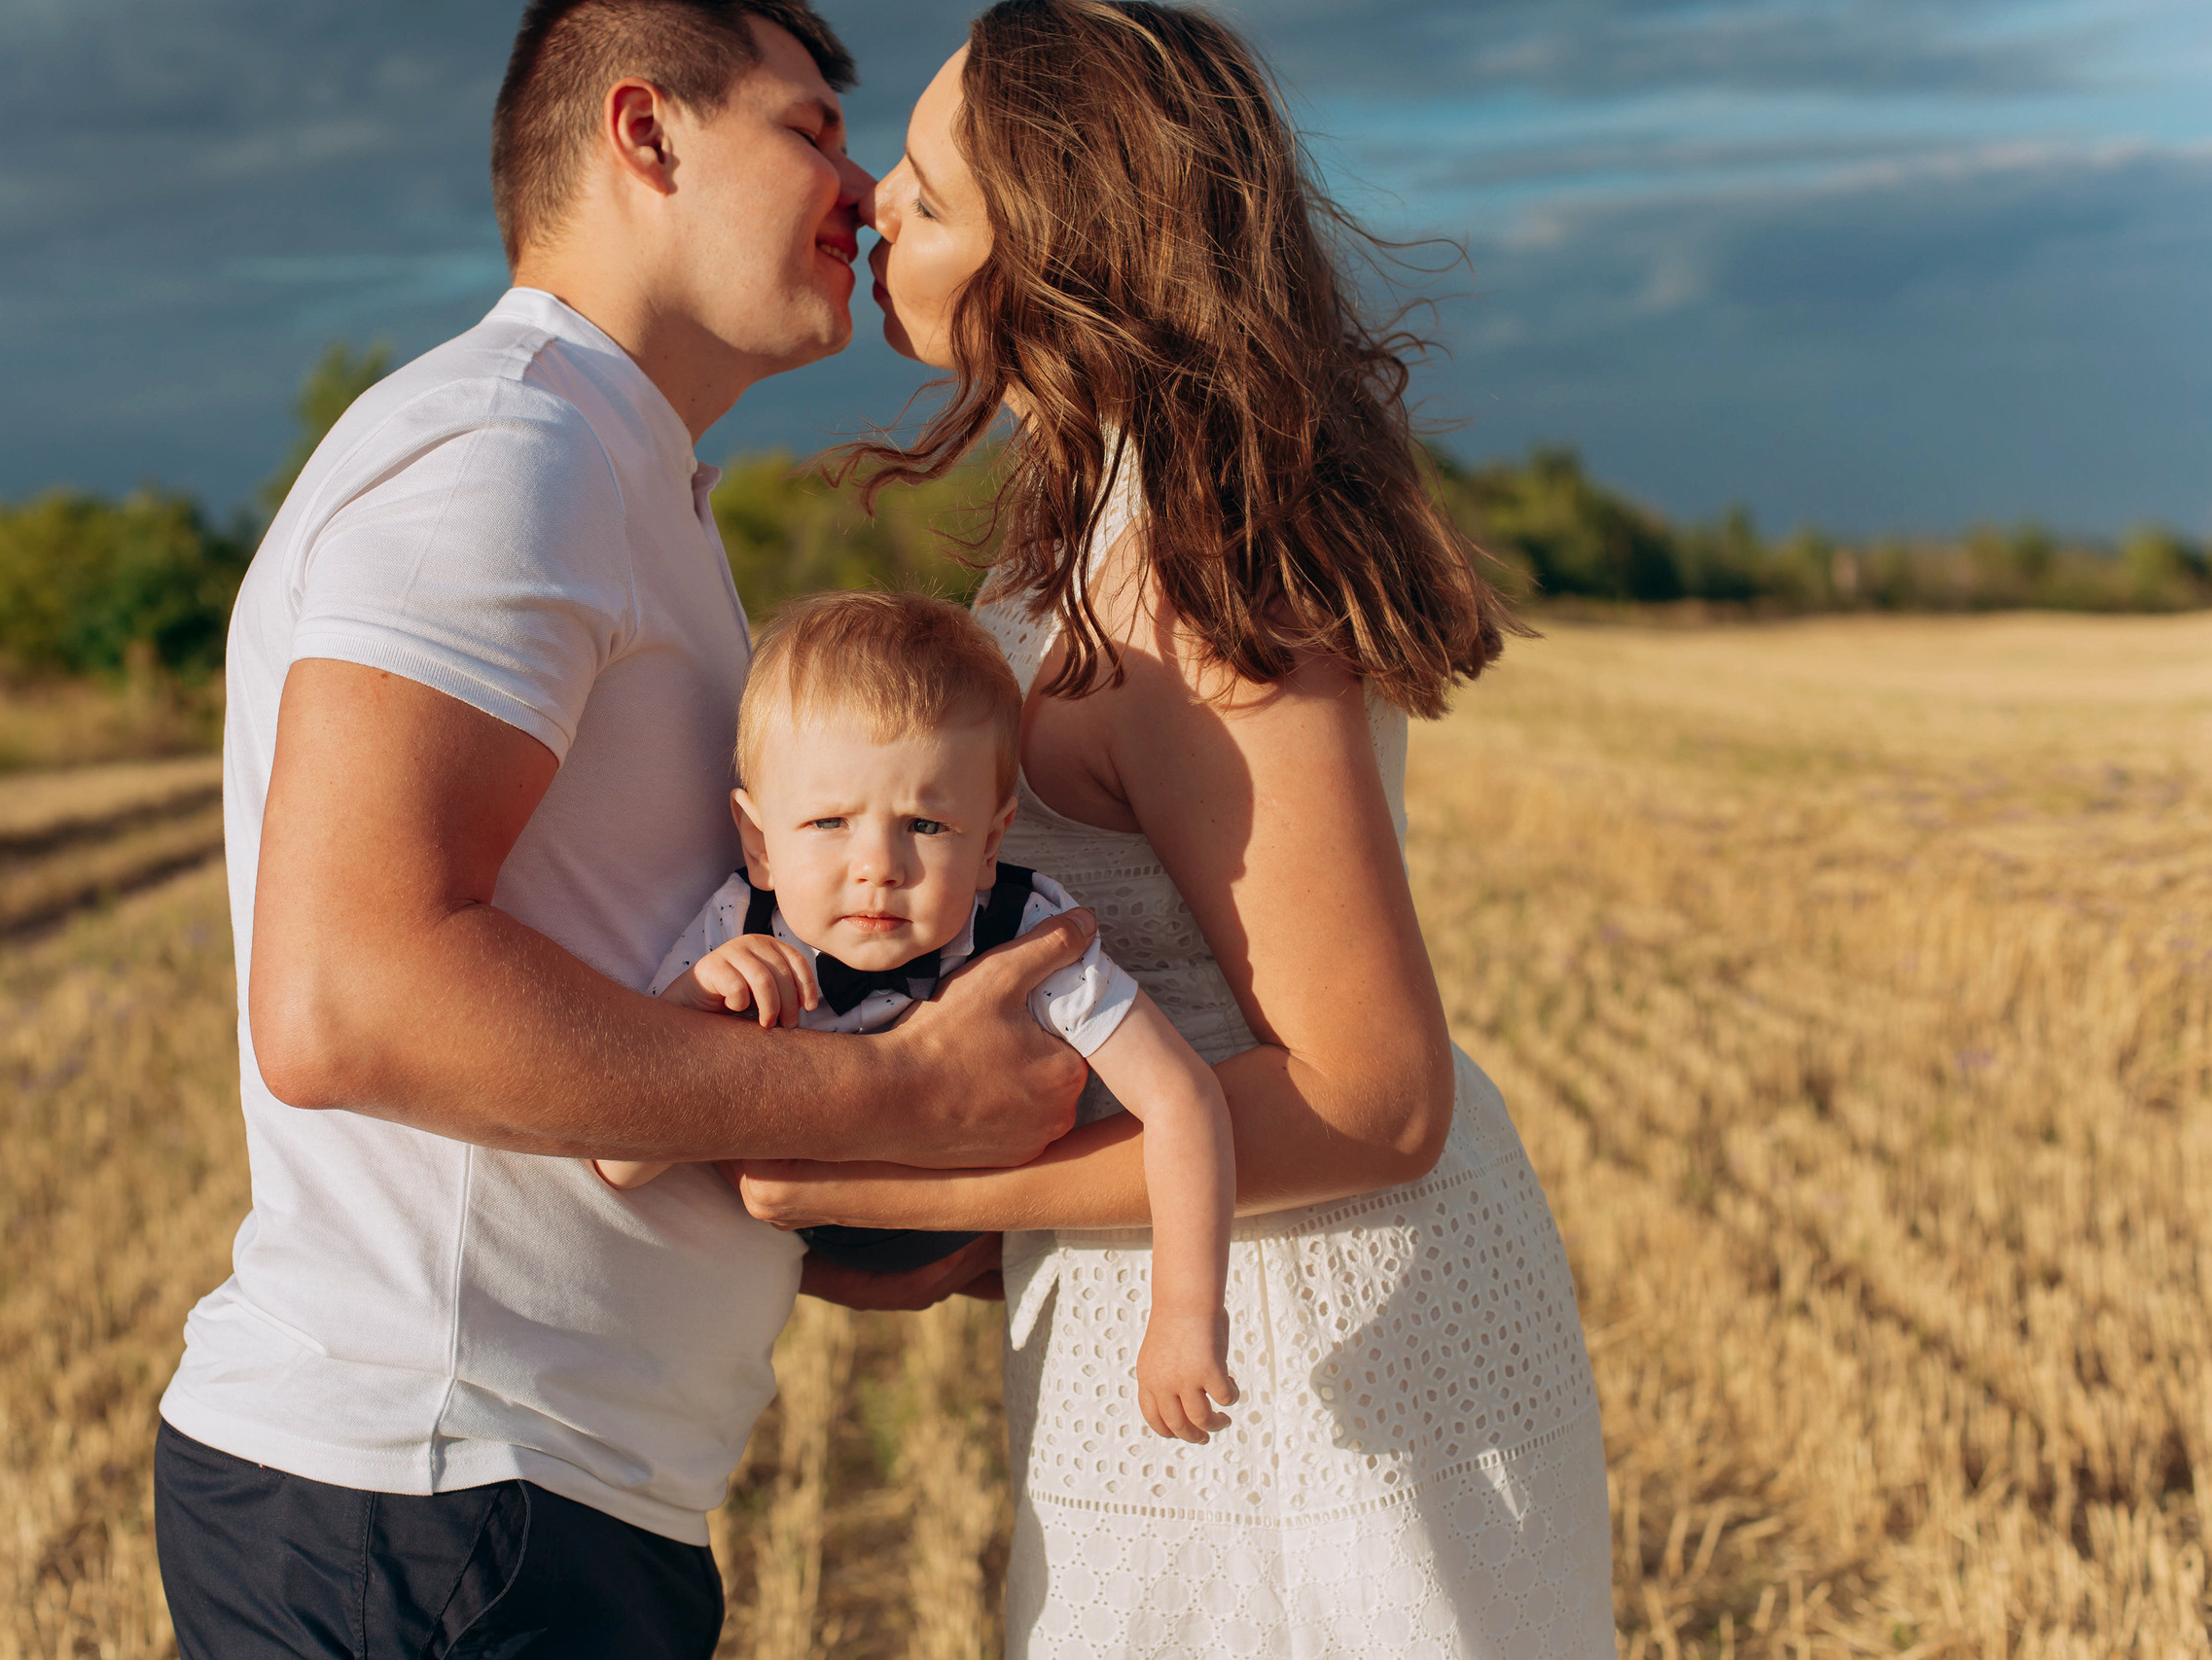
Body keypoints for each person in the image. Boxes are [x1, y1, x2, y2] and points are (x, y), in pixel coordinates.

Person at [150, 5, 1098, 1657]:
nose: (863, 188)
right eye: (811, 128)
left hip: (524, 1505)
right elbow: (349, 999)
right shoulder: (506, 454)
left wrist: (890, 1197)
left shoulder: (608, 470)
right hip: (436, 1496)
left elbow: (619, 994)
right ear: (646, 137)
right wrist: (894, 1094)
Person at [736, 2, 1619, 1653]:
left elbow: (1376, 1095)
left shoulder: (1188, 580)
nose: (872, 211)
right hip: (1204, 1309)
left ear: (1053, 248)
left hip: (1312, 1360)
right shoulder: (1089, 529)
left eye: (925, 196)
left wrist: (913, 1181)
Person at [596, 589, 1240, 1440]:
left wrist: (1187, 1311)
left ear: (989, 844)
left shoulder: (1020, 936)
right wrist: (692, 1002)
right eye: (828, 820)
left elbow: (1182, 1099)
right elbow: (618, 1161)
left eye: (926, 823)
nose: (878, 866)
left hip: (964, 1236)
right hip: (804, 1255)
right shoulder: (738, 932)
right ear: (756, 841)